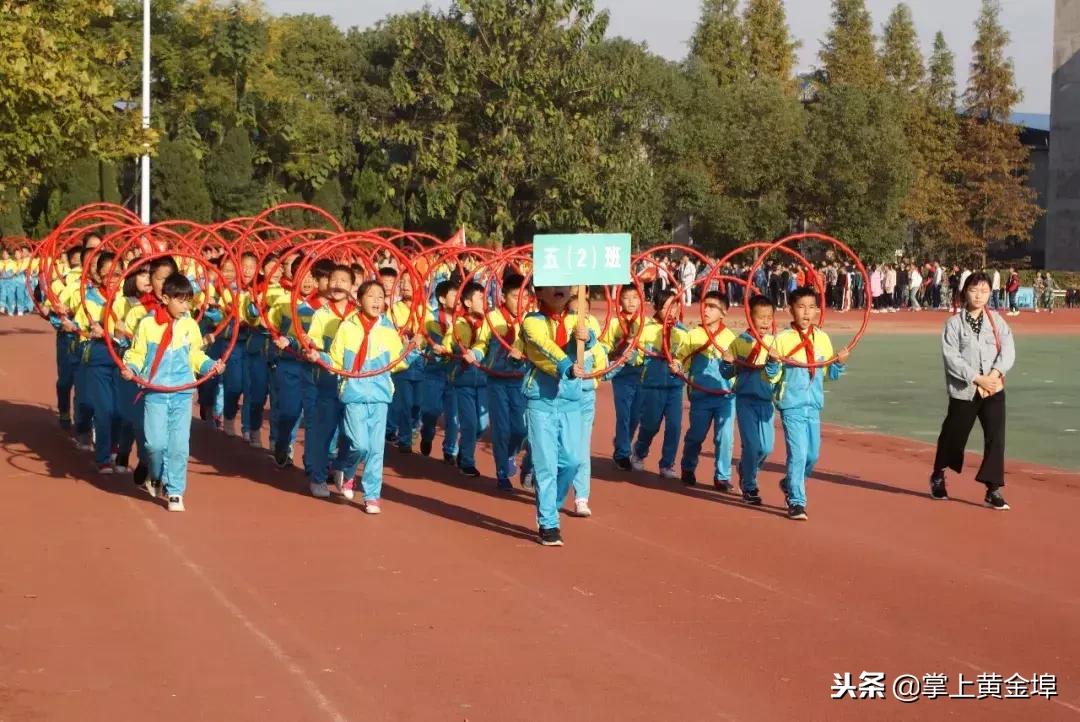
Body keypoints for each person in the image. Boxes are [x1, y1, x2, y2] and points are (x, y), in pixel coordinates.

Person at [121, 273, 225, 511]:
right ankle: (156, 475)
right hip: (155, 393)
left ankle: (175, 490)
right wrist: (131, 369)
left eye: (188, 301)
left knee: (179, 445)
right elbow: (137, 353)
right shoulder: (148, 324)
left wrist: (211, 366)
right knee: (154, 445)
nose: (185, 306)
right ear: (165, 298)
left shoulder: (190, 325)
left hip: (182, 393)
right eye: (180, 301)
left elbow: (196, 355)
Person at [929, 272, 1014, 510]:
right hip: (965, 390)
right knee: (953, 435)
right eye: (974, 290)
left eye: (984, 291)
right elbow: (951, 358)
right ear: (965, 292)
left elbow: (1008, 350)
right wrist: (978, 379)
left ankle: (992, 488)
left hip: (993, 389)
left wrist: (994, 376)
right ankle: (938, 474)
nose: (979, 295)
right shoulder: (954, 324)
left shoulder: (997, 321)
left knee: (996, 438)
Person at [324, 280, 410, 514]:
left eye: (380, 297)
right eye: (371, 296)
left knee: (375, 450)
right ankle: (347, 469)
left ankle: (372, 496)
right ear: (360, 299)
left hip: (380, 396)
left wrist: (412, 351)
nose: (376, 301)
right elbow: (336, 360)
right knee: (359, 444)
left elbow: (397, 363)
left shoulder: (388, 330)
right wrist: (318, 357)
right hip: (354, 394)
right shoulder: (347, 327)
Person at [519, 285, 592, 546]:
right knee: (546, 465)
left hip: (571, 400)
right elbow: (545, 347)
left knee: (572, 461)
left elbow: (587, 344)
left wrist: (587, 338)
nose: (559, 290)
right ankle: (549, 522)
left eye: (563, 286)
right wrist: (566, 366)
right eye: (552, 286)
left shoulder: (577, 319)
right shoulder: (532, 322)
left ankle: (552, 504)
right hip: (541, 398)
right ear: (539, 293)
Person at [772, 287, 850, 521]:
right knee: (798, 454)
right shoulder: (782, 339)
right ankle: (797, 501)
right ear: (791, 310)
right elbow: (772, 376)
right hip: (792, 405)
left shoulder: (822, 338)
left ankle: (790, 482)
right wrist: (773, 363)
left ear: (818, 310)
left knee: (812, 455)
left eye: (811, 307)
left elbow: (828, 374)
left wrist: (839, 363)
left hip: (813, 405)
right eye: (801, 307)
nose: (807, 312)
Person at [721, 295, 782, 505]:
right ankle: (749, 485)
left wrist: (773, 361)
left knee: (766, 448)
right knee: (752, 445)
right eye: (760, 317)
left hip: (766, 402)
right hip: (745, 400)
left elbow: (776, 374)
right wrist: (727, 363)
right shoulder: (740, 342)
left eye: (769, 317)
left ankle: (746, 469)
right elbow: (727, 373)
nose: (765, 321)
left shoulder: (775, 343)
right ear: (750, 317)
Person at [674, 291, 737, 491]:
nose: (706, 310)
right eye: (705, 305)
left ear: (724, 312)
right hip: (700, 396)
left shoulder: (731, 338)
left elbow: (736, 369)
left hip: (725, 396)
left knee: (725, 437)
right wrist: (677, 366)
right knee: (696, 435)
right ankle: (688, 467)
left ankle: (722, 476)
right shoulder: (693, 335)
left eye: (712, 307)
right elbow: (681, 359)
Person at [304, 265, 356, 498]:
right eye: (334, 279)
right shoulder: (321, 314)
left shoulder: (359, 314)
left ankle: (341, 470)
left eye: (344, 280)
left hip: (354, 384)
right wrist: (310, 347)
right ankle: (317, 477)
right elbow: (313, 343)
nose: (337, 285)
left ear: (352, 286)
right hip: (327, 381)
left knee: (352, 435)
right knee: (324, 432)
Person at [476, 273, 529, 491]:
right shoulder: (492, 318)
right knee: (501, 429)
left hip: (520, 381)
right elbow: (481, 344)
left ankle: (510, 455)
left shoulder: (530, 319)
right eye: (516, 296)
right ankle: (501, 473)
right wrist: (474, 354)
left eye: (525, 296)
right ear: (504, 296)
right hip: (496, 381)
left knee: (521, 430)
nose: (520, 301)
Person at [630, 289, 687, 478]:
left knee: (675, 426)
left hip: (675, 387)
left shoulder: (682, 332)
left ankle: (667, 464)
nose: (670, 311)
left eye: (674, 306)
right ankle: (639, 451)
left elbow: (686, 359)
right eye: (665, 307)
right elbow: (637, 357)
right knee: (650, 425)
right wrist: (631, 356)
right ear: (656, 307)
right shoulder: (645, 329)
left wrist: (680, 366)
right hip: (652, 385)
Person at [600, 285, 645, 471]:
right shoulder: (614, 323)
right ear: (619, 301)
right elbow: (605, 347)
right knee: (624, 416)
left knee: (636, 417)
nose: (631, 302)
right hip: (622, 376)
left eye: (635, 297)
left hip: (641, 374)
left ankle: (622, 441)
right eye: (626, 298)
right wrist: (618, 351)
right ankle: (622, 453)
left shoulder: (645, 322)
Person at [449, 281, 491, 477]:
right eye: (480, 298)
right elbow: (449, 342)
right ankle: (467, 461)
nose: (485, 301)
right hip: (463, 380)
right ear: (467, 302)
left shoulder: (489, 324)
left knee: (482, 426)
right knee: (470, 423)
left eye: (486, 297)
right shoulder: (458, 324)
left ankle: (464, 448)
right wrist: (448, 349)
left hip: (483, 381)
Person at [418, 280, 460, 463]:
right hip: (434, 373)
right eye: (454, 295)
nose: (458, 299)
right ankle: (427, 434)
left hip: (455, 374)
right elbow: (421, 341)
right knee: (430, 411)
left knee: (454, 417)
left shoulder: (463, 321)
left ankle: (450, 450)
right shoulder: (431, 319)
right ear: (442, 299)